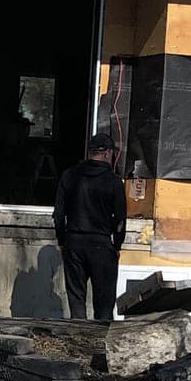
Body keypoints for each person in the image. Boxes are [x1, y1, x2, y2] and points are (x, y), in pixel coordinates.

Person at [54, 128, 128, 322]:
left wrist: (62, 241)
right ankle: (101, 344)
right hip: (102, 244)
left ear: (90, 152)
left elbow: (59, 214)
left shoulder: (69, 176)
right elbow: (120, 219)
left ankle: (78, 342)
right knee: (104, 303)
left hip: (74, 242)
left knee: (76, 298)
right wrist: (117, 245)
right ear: (108, 153)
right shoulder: (114, 182)